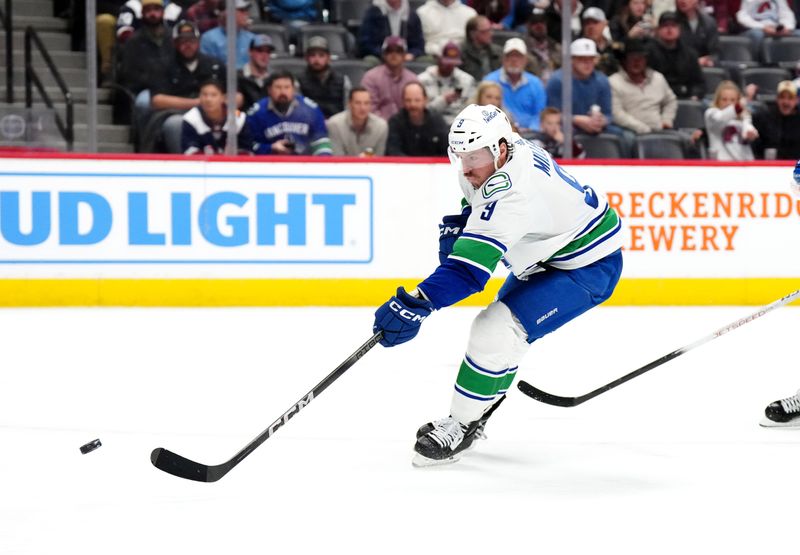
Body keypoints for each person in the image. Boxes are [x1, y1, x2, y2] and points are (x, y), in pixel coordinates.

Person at [371, 103, 623, 466]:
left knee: (494, 330)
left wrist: (416, 302)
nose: (467, 167)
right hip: (545, 255)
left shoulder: (513, 193)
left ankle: (461, 425)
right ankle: (473, 418)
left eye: (475, 156)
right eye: (461, 155)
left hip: (587, 265)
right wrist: (465, 217)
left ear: (501, 148)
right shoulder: (501, 154)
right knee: (503, 337)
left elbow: (468, 274)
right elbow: (477, 200)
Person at [145, 20, 227, 152]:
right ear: (175, 43)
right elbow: (157, 100)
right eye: (183, 41)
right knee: (176, 123)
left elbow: (237, 96)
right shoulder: (163, 65)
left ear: (198, 42)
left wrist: (216, 103)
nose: (188, 45)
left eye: (192, 41)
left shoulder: (214, 64)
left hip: (213, 113)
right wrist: (195, 103)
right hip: (177, 112)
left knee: (237, 119)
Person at [247, 70, 333, 156]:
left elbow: (321, 142)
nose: (283, 92)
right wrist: (271, 148)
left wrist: (321, 164)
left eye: (287, 87)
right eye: (278, 87)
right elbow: (248, 146)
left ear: (294, 89)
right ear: (269, 90)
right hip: (270, 165)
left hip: (304, 165)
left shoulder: (311, 109)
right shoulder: (257, 113)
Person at [546, 38, 614, 137]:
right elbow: (551, 116)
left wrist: (601, 121)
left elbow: (609, 114)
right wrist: (575, 119)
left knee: (623, 137)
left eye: (591, 59)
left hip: (596, 129)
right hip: (566, 129)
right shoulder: (557, 80)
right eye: (582, 59)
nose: (587, 63)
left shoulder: (602, 80)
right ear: (571, 60)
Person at [609, 38, 677, 135]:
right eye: (632, 57)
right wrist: (642, 128)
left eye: (640, 57)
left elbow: (671, 101)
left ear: (646, 60)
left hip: (660, 129)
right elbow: (616, 114)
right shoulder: (613, 82)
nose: (636, 62)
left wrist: (667, 120)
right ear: (624, 60)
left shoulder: (658, 78)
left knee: (686, 141)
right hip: (630, 133)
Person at [484, 38, 547, 132]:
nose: (514, 59)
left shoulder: (536, 83)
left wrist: (531, 129)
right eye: (510, 56)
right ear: (503, 59)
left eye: (518, 56)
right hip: (497, 133)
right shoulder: (490, 81)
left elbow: (540, 114)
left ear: (525, 60)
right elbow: (483, 111)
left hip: (530, 135)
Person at [181, 79, 254, 154]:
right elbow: (189, 151)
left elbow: (247, 151)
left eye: (214, 95)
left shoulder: (239, 117)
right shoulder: (191, 118)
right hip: (202, 164)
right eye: (204, 94)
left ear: (223, 98)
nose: (208, 99)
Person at [647, 11, 706, 100]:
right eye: (665, 26)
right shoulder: (648, 52)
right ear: (658, 30)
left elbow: (699, 83)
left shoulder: (690, 54)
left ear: (680, 29)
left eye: (673, 26)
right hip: (655, 99)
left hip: (684, 97)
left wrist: (695, 95)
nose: (669, 29)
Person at [361, 36, 420, 120]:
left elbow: (416, 108)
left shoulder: (413, 80)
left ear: (404, 55)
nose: (394, 54)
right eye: (389, 51)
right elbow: (368, 108)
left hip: (406, 128)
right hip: (377, 127)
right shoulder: (371, 78)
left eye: (398, 51)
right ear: (384, 54)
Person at [418, 42, 476, 125]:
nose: (450, 66)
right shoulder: (422, 80)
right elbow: (420, 112)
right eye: (447, 62)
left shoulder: (467, 80)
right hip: (430, 126)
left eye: (453, 63)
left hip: (459, 126)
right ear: (438, 59)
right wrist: (443, 100)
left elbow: (472, 110)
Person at [386, 82, 450, 155]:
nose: (413, 104)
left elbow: (446, 150)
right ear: (403, 101)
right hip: (403, 165)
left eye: (417, 100)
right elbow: (393, 151)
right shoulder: (395, 122)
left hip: (433, 165)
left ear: (425, 100)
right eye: (408, 100)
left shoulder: (437, 121)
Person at [297, 36, 352, 119]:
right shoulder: (298, 81)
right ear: (306, 58)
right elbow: (297, 111)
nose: (317, 59)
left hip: (336, 125)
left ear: (328, 58)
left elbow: (348, 109)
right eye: (312, 55)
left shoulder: (343, 80)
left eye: (321, 55)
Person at [704, 80, 758, 160]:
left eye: (732, 100)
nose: (728, 103)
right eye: (724, 99)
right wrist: (738, 107)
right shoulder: (711, 114)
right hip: (721, 166)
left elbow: (748, 129)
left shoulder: (744, 116)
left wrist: (751, 133)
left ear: (737, 100)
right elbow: (720, 118)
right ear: (718, 100)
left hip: (744, 166)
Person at [358, 0, 427, 62]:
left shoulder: (412, 16)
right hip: (379, 56)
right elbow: (365, 44)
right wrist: (385, 54)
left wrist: (412, 54)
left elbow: (419, 45)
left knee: (425, 60)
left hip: (405, 57)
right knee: (370, 60)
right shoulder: (373, 13)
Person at [328, 87, 389, 156]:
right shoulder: (335, 125)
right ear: (349, 104)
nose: (363, 108)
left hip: (370, 166)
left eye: (367, 103)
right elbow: (336, 160)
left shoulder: (381, 127)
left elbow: (379, 160)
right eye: (357, 103)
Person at [199, 0, 256, 69]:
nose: (246, 14)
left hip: (248, 78)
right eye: (242, 10)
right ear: (228, 14)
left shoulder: (252, 38)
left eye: (246, 10)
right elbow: (208, 68)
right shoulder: (209, 38)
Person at [752, 81, 800, 159]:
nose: (786, 102)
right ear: (777, 99)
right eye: (782, 97)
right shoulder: (764, 117)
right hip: (770, 167)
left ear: (796, 100)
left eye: (790, 98)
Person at [675, 0, 720, 67]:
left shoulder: (709, 22)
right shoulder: (672, 22)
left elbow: (715, 53)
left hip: (704, 69)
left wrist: (709, 60)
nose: (682, 1)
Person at [459, 15, 503, 82]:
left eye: (490, 30)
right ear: (472, 34)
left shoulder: (498, 52)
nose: (491, 33)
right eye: (485, 31)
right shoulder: (460, 53)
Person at [524, 9, 563, 83]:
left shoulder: (556, 47)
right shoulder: (523, 49)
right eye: (535, 22)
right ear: (528, 26)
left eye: (542, 22)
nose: (539, 26)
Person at [237, 34, 274, 110]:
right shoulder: (237, 77)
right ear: (250, 52)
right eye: (260, 51)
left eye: (268, 52)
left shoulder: (275, 78)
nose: (264, 55)